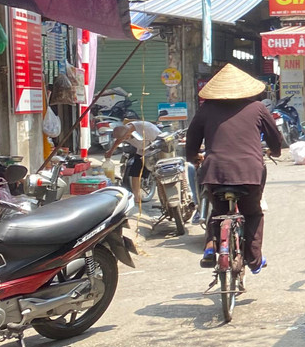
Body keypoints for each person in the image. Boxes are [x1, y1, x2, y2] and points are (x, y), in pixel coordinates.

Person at [185, 64, 284, 271]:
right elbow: (275, 138)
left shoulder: (206, 109)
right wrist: (275, 151)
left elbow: (192, 140)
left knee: (218, 212)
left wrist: (194, 157)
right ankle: (254, 260)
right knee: (253, 213)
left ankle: (211, 247)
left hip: (215, 171)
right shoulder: (258, 108)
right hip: (250, 172)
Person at [107, 111, 163, 193]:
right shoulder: (125, 130)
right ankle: (136, 196)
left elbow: (160, 141)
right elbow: (119, 140)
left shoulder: (146, 129)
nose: (125, 139)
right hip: (141, 150)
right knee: (135, 172)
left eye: (125, 138)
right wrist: (110, 151)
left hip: (154, 149)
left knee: (156, 171)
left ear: (128, 133)